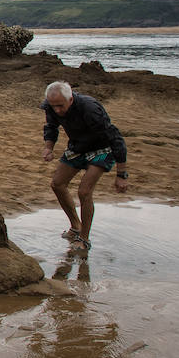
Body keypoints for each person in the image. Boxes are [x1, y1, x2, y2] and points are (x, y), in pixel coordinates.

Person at [40, 80, 129, 248]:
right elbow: (51, 127)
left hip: (102, 149)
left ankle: (84, 239)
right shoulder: (51, 106)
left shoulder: (90, 108)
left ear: (70, 99)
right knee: (57, 184)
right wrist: (48, 148)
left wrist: (121, 174)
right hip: (78, 146)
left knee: (84, 191)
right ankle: (76, 226)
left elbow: (115, 138)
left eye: (60, 106)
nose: (57, 110)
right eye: (53, 106)